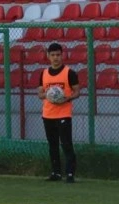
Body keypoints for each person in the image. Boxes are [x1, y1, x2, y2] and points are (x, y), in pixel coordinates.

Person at [38, 42, 80, 183]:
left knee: (66, 144)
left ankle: (70, 174)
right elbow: (40, 93)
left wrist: (67, 98)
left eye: (58, 55)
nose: (55, 58)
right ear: (48, 56)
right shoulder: (44, 73)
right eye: (53, 55)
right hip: (48, 114)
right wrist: (48, 95)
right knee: (52, 145)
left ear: (62, 55)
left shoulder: (69, 73)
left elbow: (77, 91)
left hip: (63, 114)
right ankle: (56, 172)